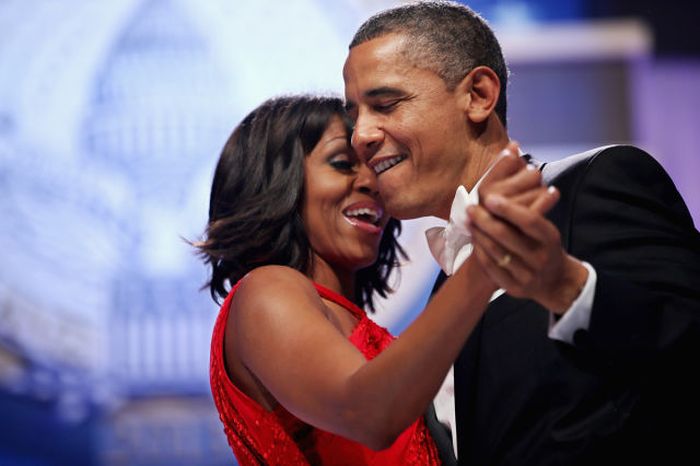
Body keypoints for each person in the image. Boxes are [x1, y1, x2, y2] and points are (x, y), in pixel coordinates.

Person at [343, 2, 700, 465]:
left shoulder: (593, 185)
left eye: (385, 105)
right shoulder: (446, 293)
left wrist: (569, 288)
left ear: (479, 95)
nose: (360, 135)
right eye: (354, 115)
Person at [194, 95, 555, 465]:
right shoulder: (265, 292)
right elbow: (367, 414)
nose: (372, 182)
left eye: (377, 167)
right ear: (273, 183)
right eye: (342, 164)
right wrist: (484, 261)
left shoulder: (361, 331)